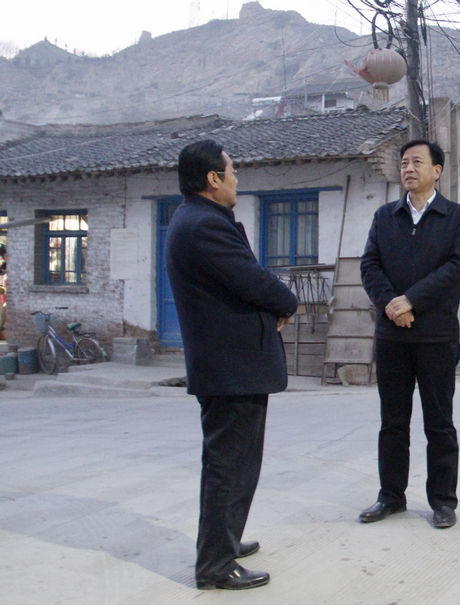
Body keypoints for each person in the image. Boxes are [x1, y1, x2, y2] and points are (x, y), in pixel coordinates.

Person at [165, 139, 298, 589]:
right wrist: (286, 302)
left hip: (232, 366)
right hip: (230, 368)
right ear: (213, 179)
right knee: (228, 466)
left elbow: (242, 280)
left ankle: (226, 541)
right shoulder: (203, 225)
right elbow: (251, 278)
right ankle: (215, 566)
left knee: (238, 464)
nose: (237, 180)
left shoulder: (196, 219)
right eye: (232, 171)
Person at [359, 139, 460, 529]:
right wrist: (391, 304)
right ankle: (390, 496)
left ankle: (443, 501)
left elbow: (455, 268)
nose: (408, 168)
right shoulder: (384, 216)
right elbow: (370, 265)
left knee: (439, 422)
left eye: (417, 162)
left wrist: (411, 301)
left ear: (436, 171)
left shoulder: (456, 218)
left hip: (436, 336)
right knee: (392, 422)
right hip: (392, 337)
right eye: (404, 162)